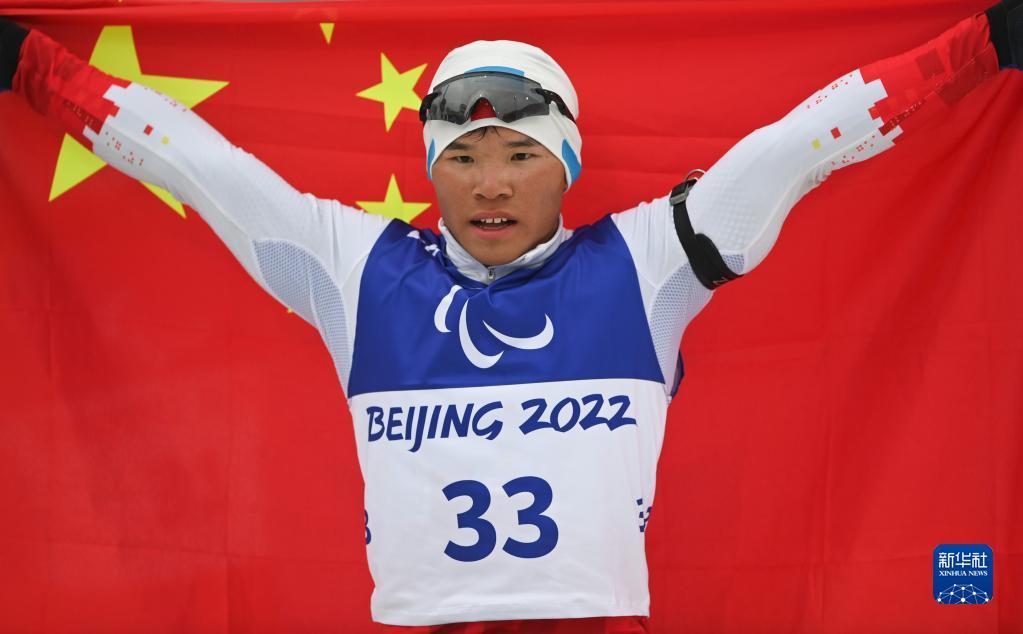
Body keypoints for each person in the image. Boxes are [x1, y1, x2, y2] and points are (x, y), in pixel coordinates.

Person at [0, 2, 1019, 632]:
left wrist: (980, 48)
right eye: (461, 158)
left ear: (566, 164)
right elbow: (191, 159)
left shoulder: (647, 262)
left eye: (521, 156)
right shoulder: (354, 269)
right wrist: (32, 68)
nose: (490, 185)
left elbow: (796, 146)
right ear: (430, 170)